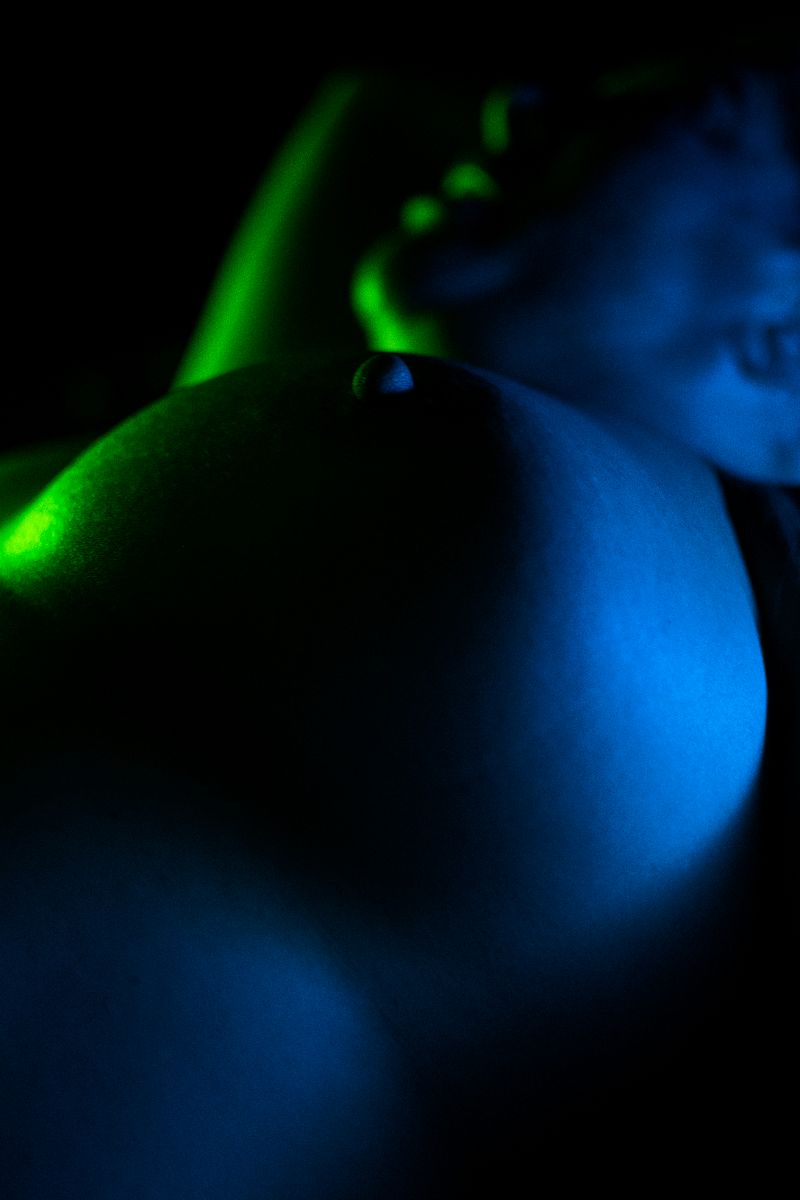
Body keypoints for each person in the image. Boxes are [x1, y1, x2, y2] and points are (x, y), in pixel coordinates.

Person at [0, 42, 797, 1197]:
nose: (521, 105)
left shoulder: (676, 662)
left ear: (785, 339)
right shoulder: (192, 493)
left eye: (698, 107)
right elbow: (369, 110)